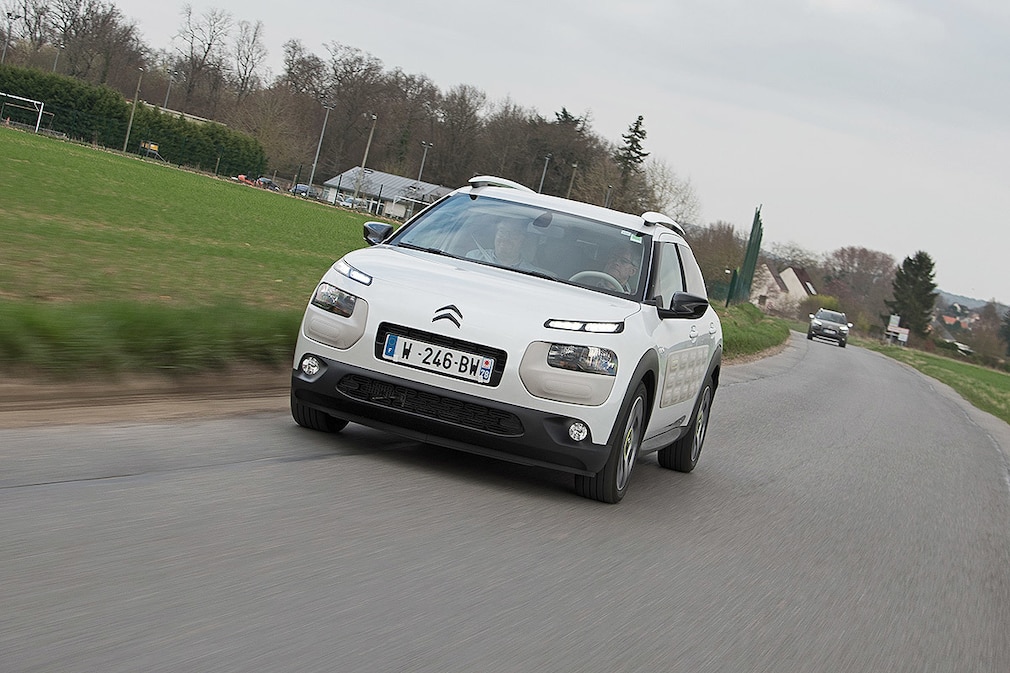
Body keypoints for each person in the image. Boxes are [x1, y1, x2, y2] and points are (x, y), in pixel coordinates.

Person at [467, 218, 540, 271]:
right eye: (502, 231)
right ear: (495, 234)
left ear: (523, 240)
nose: (506, 238)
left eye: (513, 234)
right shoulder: (473, 257)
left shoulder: (530, 272)